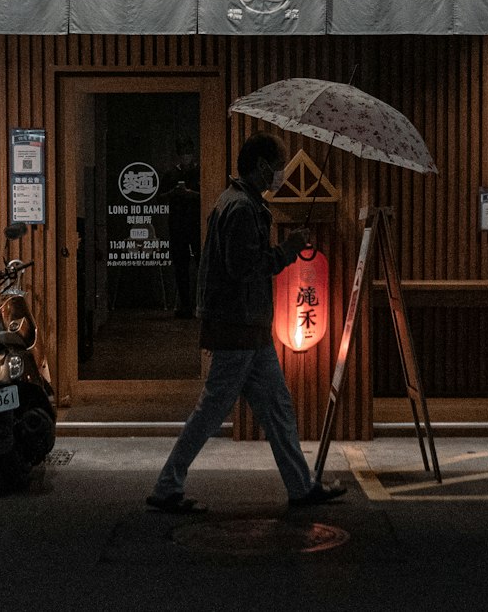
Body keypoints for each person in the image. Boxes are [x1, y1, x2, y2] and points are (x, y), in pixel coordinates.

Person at [146, 131, 347, 514]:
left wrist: (284, 249)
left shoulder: (240, 203)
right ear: (260, 167)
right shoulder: (241, 209)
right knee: (212, 412)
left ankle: (301, 487)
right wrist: (286, 252)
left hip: (249, 329)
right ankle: (167, 486)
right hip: (239, 328)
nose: (282, 173)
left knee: (277, 408)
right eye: (279, 165)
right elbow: (244, 268)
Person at [158, 135, 202, 318]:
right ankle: (185, 306)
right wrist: (174, 193)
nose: (186, 156)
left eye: (188, 153)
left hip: (195, 223)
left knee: (201, 263)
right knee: (180, 266)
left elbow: (208, 194)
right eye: (183, 153)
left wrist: (191, 194)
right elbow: (159, 196)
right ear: (178, 155)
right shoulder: (170, 174)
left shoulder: (200, 172)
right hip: (177, 224)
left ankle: (199, 303)